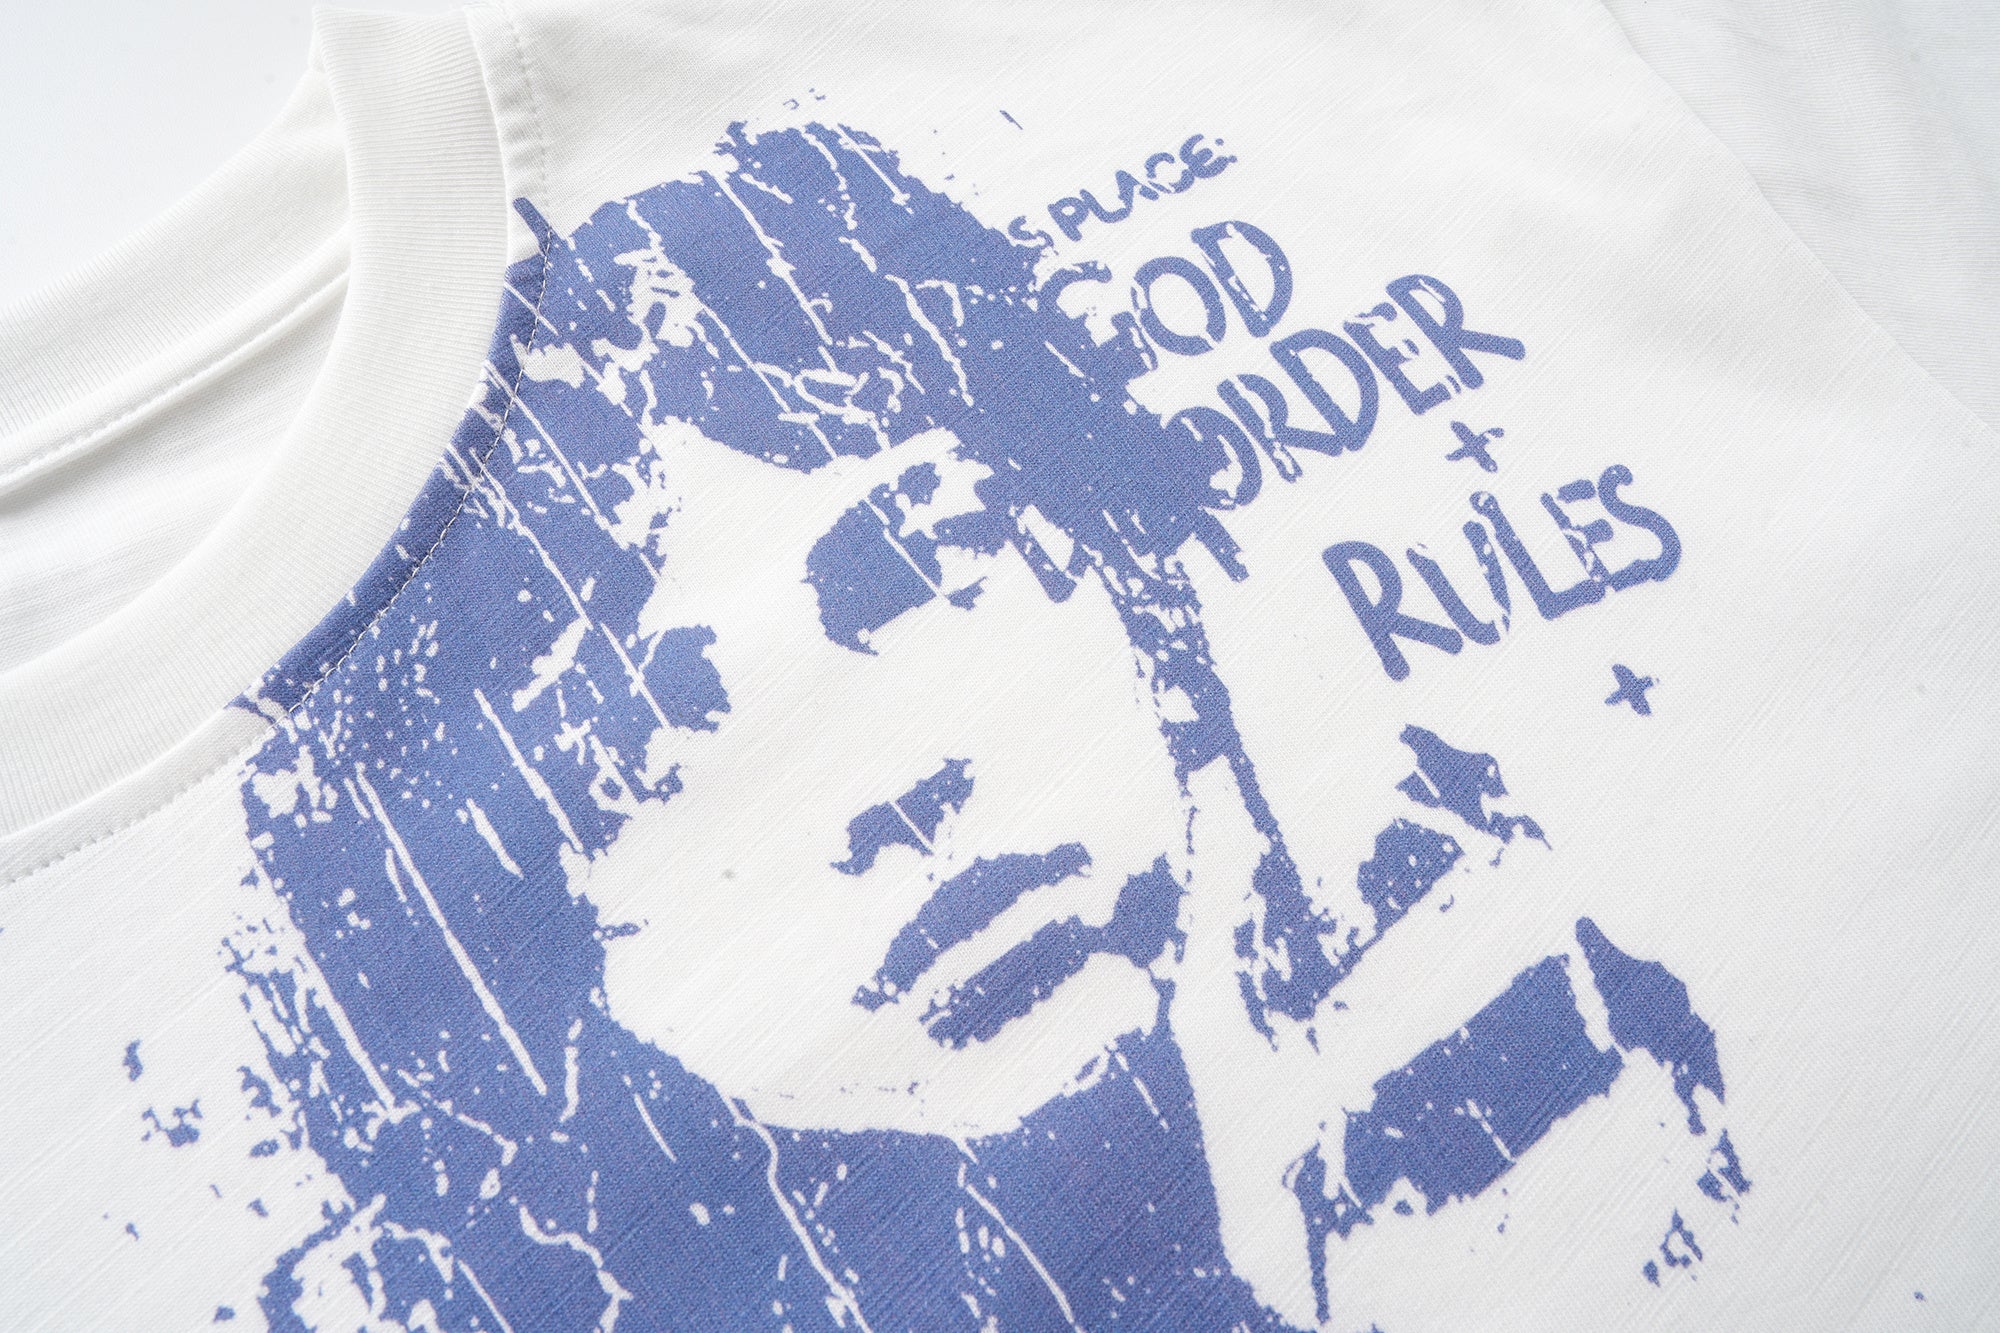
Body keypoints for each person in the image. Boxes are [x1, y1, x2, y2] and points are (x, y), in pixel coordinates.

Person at [238, 117, 1741, 1332]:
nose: (901, 790)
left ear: (1112, 561)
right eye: (653, 747)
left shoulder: (1531, 1019)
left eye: (921, 561)